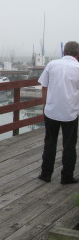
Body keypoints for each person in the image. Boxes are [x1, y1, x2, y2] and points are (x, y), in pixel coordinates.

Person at [38, 41, 79, 185]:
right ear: (77, 54)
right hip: (70, 112)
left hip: (51, 111)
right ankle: (66, 176)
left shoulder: (51, 64)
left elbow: (44, 87)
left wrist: (45, 105)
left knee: (50, 142)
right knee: (69, 145)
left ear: (64, 52)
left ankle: (45, 174)